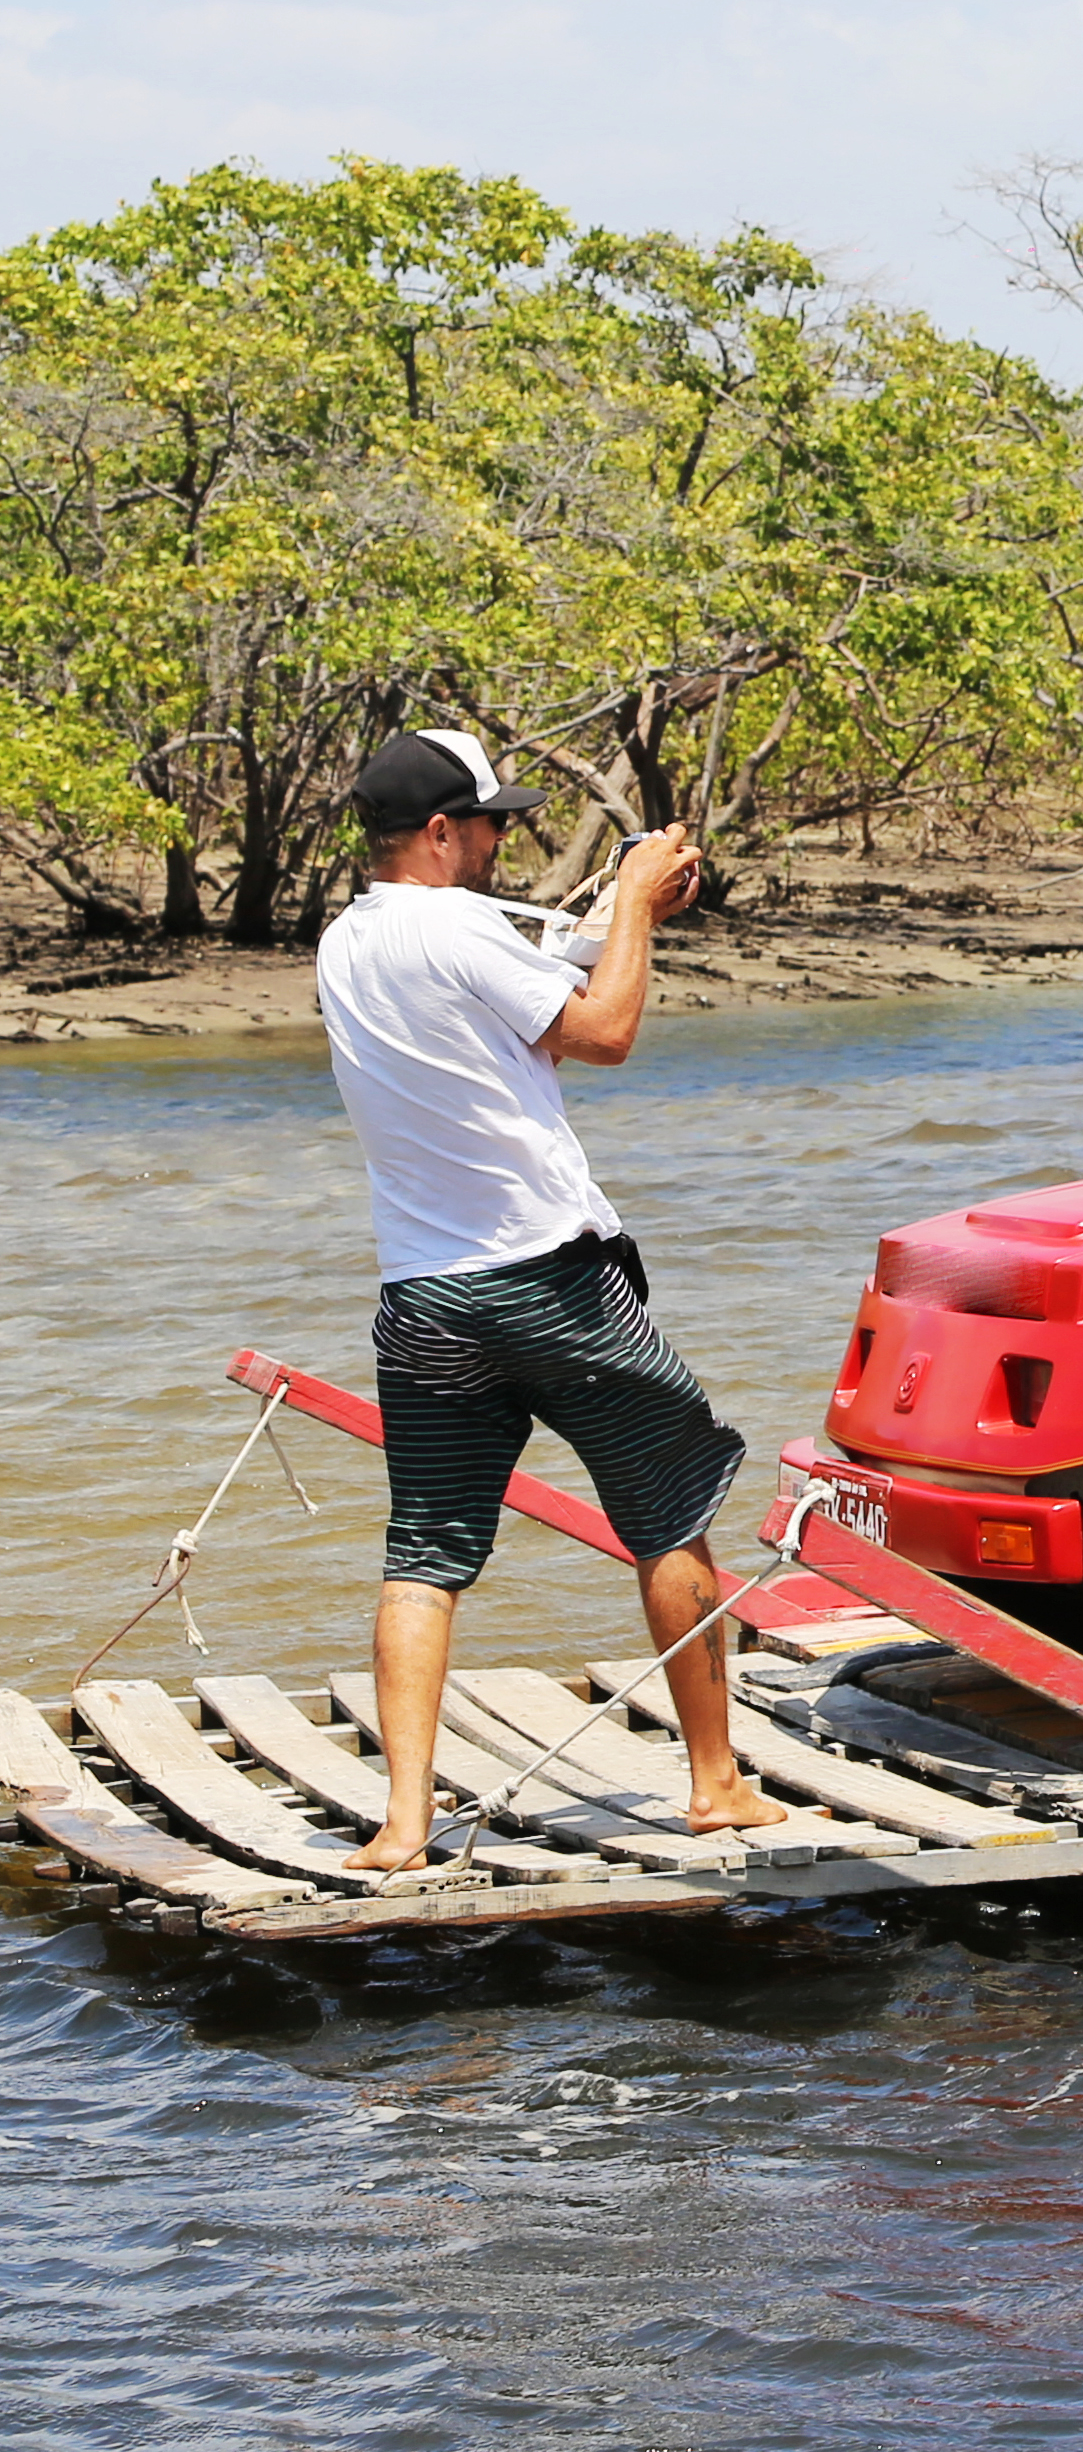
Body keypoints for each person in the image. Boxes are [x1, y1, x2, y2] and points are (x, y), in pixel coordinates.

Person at [314, 725, 772, 1875]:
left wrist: (627, 918)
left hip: (424, 1295)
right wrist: (630, 904)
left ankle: (404, 1824)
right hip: (546, 1280)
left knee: (423, 1549)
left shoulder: (344, 943)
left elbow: (529, 984)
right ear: (437, 833)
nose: (500, 843)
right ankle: (715, 1785)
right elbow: (608, 1032)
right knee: (671, 1511)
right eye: (489, 827)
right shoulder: (460, 926)